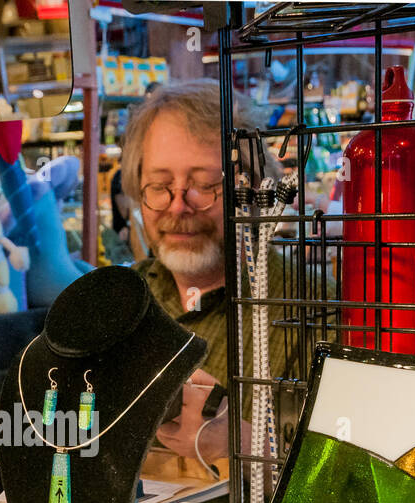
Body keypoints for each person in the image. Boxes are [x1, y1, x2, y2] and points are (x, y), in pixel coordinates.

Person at [121, 78, 297, 475]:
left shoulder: (308, 310)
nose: (178, 206)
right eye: (159, 186)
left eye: (204, 185)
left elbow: (350, 488)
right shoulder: (119, 303)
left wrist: (249, 447)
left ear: (254, 190)